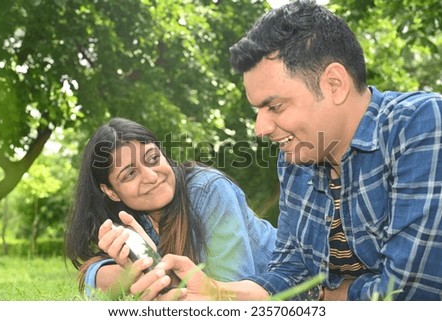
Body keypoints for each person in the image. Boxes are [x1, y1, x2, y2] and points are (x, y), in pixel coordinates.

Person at [147, 0, 442, 300]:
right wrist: (216, 293)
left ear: (335, 84)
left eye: (274, 106)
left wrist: (327, 296)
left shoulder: (420, 125)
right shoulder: (296, 159)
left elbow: (409, 292)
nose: (260, 129)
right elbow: (289, 274)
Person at [64, 117, 277, 300]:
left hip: (293, 283)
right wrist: (134, 270)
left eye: (153, 159)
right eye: (130, 174)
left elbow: (227, 290)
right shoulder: (131, 218)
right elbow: (93, 277)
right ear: (111, 191)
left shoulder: (209, 190)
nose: (151, 176)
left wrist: (160, 280)